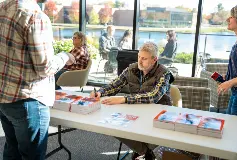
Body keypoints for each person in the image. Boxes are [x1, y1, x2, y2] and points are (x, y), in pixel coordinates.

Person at [0, 0, 75, 160]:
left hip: (4, 97)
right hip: (28, 101)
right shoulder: (36, 17)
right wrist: (65, 56)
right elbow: (45, 68)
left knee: (12, 150)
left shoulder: (4, 6)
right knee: (32, 155)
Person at [90, 42, 174, 160]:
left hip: (159, 114)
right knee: (111, 125)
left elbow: (153, 96)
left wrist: (124, 99)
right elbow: (115, 85)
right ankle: (145, 152)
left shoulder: (164, 73)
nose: (139, 61)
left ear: (154, 59)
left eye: (144, 58)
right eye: (139, 57)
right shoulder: (132, 69)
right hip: (138, 110)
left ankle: (143, 152)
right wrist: (100, 92)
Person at [218, 4, 237, 116]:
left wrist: (229, 82)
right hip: (236, 92)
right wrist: (229, 77)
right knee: (230, 122)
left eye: (231, 16)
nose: (228, 19)